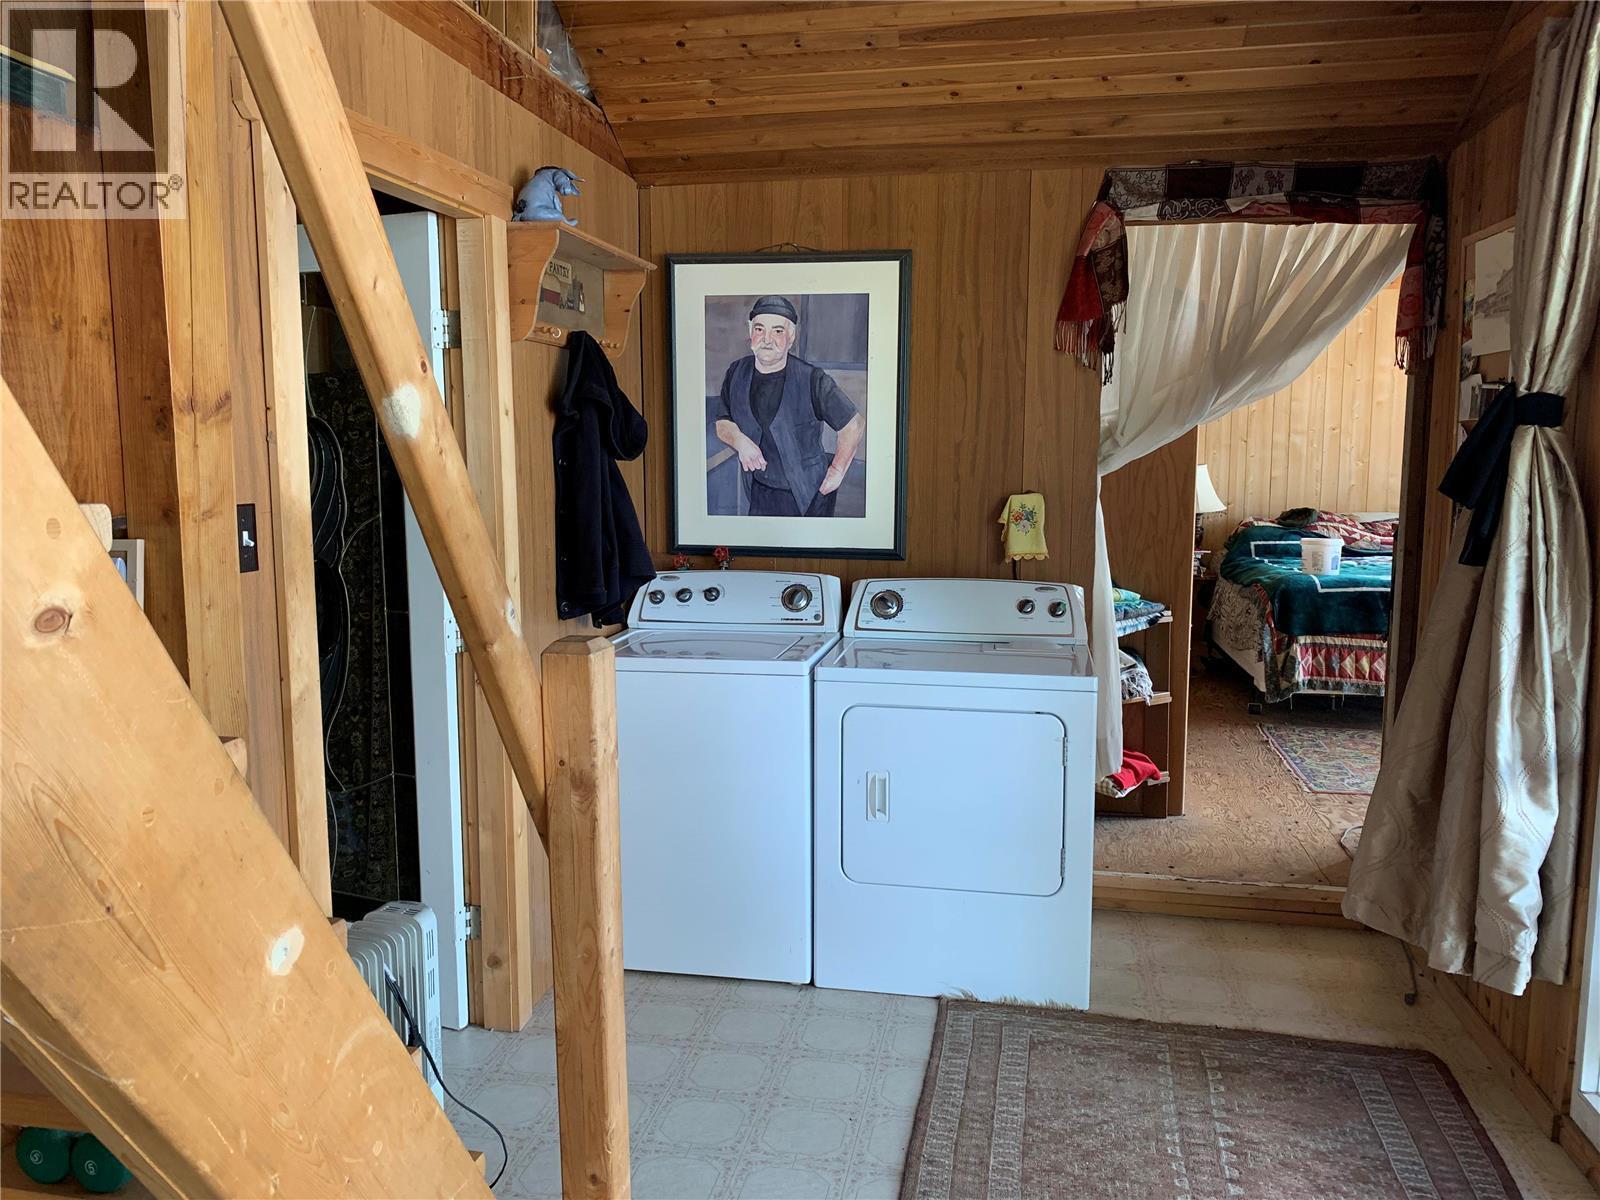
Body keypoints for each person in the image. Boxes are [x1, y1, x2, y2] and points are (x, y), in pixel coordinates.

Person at [713, 295, 865, 517]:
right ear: (750, 332)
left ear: (791, 337)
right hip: (759, 492)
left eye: (777, 331)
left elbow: (854, 424)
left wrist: (837, 470)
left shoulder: (812, 379)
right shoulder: (736, 372)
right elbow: (722, 422)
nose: (767, 339)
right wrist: (739, 440)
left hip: (808, 494)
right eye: (759, 329)